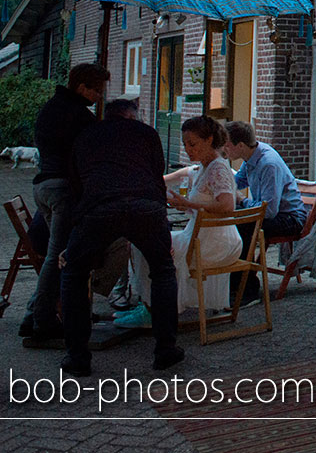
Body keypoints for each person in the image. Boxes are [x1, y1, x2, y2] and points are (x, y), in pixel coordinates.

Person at [58, 99, 183, 377]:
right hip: (145, 206)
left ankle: (77, 356)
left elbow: (75, 184)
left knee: (74, 275)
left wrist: (74, 234)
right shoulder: (147, 133)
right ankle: (165, 349)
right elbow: (156, 176)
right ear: (132, 116)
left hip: (99, 207)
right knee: (162, 270)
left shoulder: (86, 136)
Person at [117, 116, 242, 327]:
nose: (188, 150)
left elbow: (227, 206)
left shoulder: (218, 168)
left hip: (213, 242)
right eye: (185, 144)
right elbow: (206, 205)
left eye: (192, 144)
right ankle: (151, 304)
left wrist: (189, 204)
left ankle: (153, 308)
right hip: (200, 235)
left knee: (149, 247)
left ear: (209, 140)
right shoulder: (205, 167)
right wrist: (185, 205)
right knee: (147, 244)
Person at [20, 63, 109, 341]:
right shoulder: (79, 116)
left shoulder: (51, 107)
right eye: (97, 90)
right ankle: (43, 320)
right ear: (82, 87)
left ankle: (33, 313)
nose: (99, 97)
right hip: (62, 188)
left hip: (42, 186)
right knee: (59, 255)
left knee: (55, 256)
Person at [223, 121, 306, 306]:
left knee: (242, 226)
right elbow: (238, 182)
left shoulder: (268, 164)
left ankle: (248, 290)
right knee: (231, 220)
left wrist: (242, 201)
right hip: (273, 213)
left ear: (241, 145)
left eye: (227, 145)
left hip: (289, 218)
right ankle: (230, 284)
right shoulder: (251, 157)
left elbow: (268, 211)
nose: (224, 148)